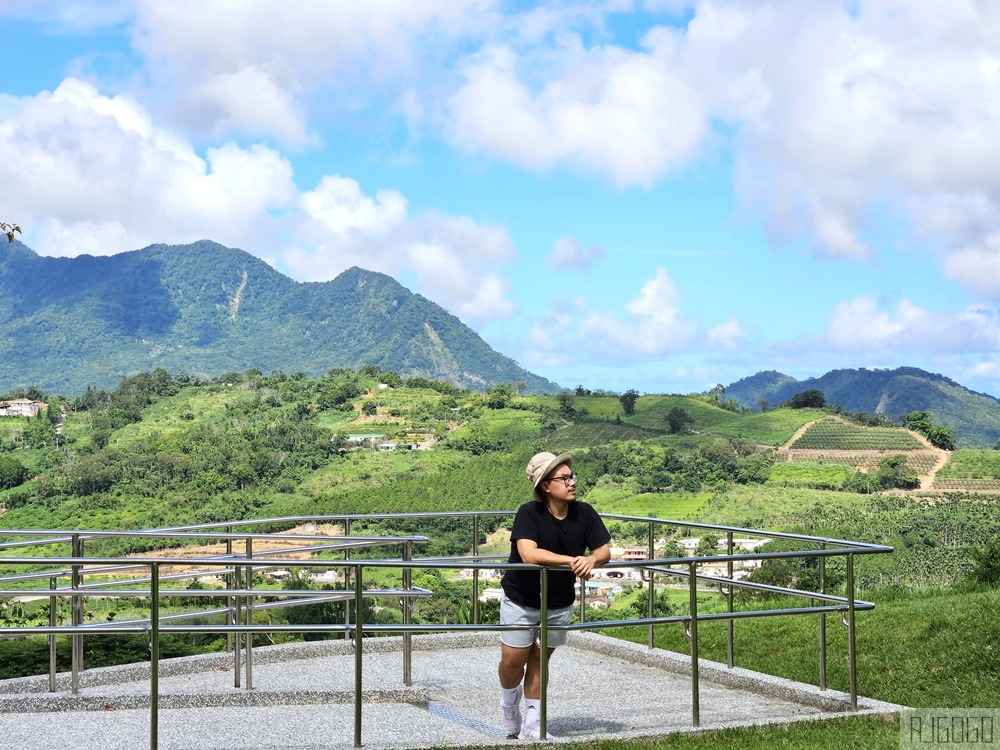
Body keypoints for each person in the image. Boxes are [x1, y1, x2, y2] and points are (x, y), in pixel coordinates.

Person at [498, 451, 611, 740]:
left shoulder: (584, 513)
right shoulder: (528, 513)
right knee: (513, 662)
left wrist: (592, 560)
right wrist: (573, 560)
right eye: (564, 478)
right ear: (545, 486)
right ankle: (509, 704)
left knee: (539, 660)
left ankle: (534, 724)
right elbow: (528, 553)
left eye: (571, 476)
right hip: (521, 598)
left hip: (558, 602)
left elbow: (604, 550)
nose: (572, 482)